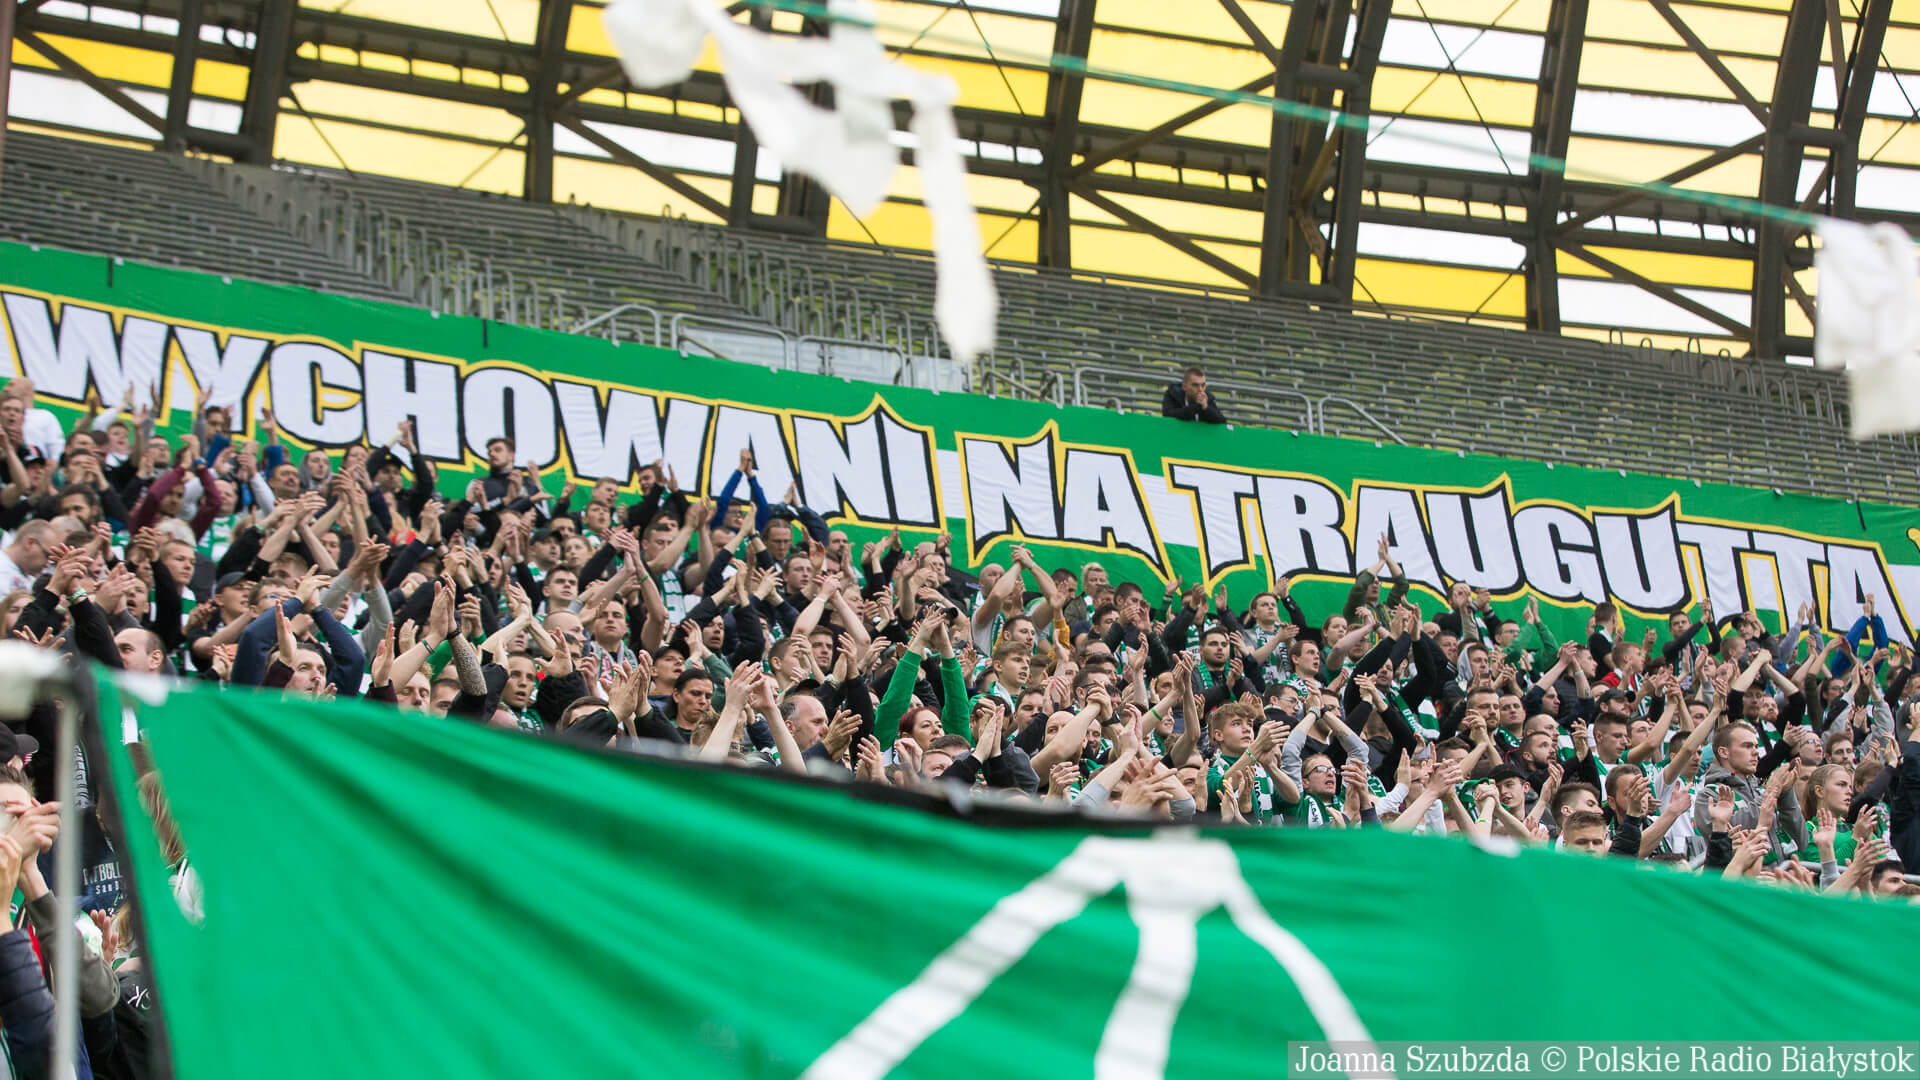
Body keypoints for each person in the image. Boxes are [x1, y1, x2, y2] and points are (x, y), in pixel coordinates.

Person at [1160, 366, 1224, 424]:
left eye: (1203, 385)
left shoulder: (1208, 398)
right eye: (1195, 385)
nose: (1200, 389)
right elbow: (1167, 415)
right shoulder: (1173, 394)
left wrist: (1206, 408)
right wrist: (1196, 407)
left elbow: (1222, 421)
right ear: (1184, 386)